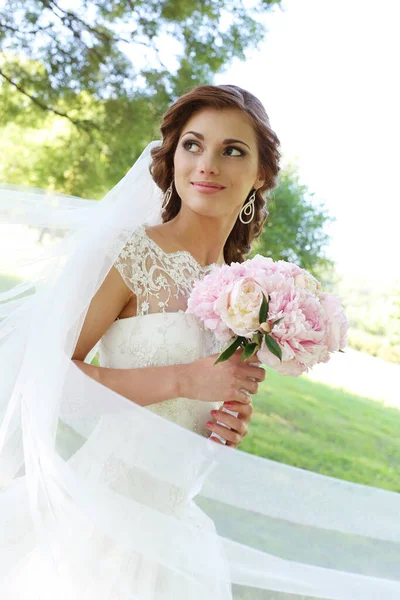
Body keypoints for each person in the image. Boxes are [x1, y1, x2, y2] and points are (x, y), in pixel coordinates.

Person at [0, 85, 399, 600]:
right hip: (100, 524)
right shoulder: (130, 254)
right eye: (193, 145)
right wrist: (185, 379)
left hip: (175, 535)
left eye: (232, 150)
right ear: (173, 157)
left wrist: (220, 421)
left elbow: (194, 405)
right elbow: (48, 380)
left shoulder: (246, 292)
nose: (207, 164)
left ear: (260, 174)